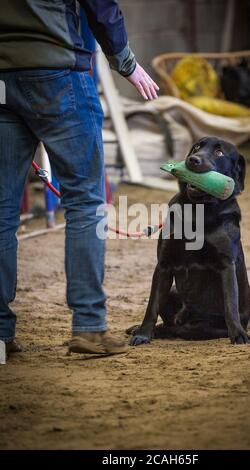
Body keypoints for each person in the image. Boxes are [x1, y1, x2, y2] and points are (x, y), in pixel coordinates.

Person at [0, 0, 159, 358]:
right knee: (87, 204)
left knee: (1, 212)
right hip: (57, 71)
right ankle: (89, 327)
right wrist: (127, 64)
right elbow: (101, 7)